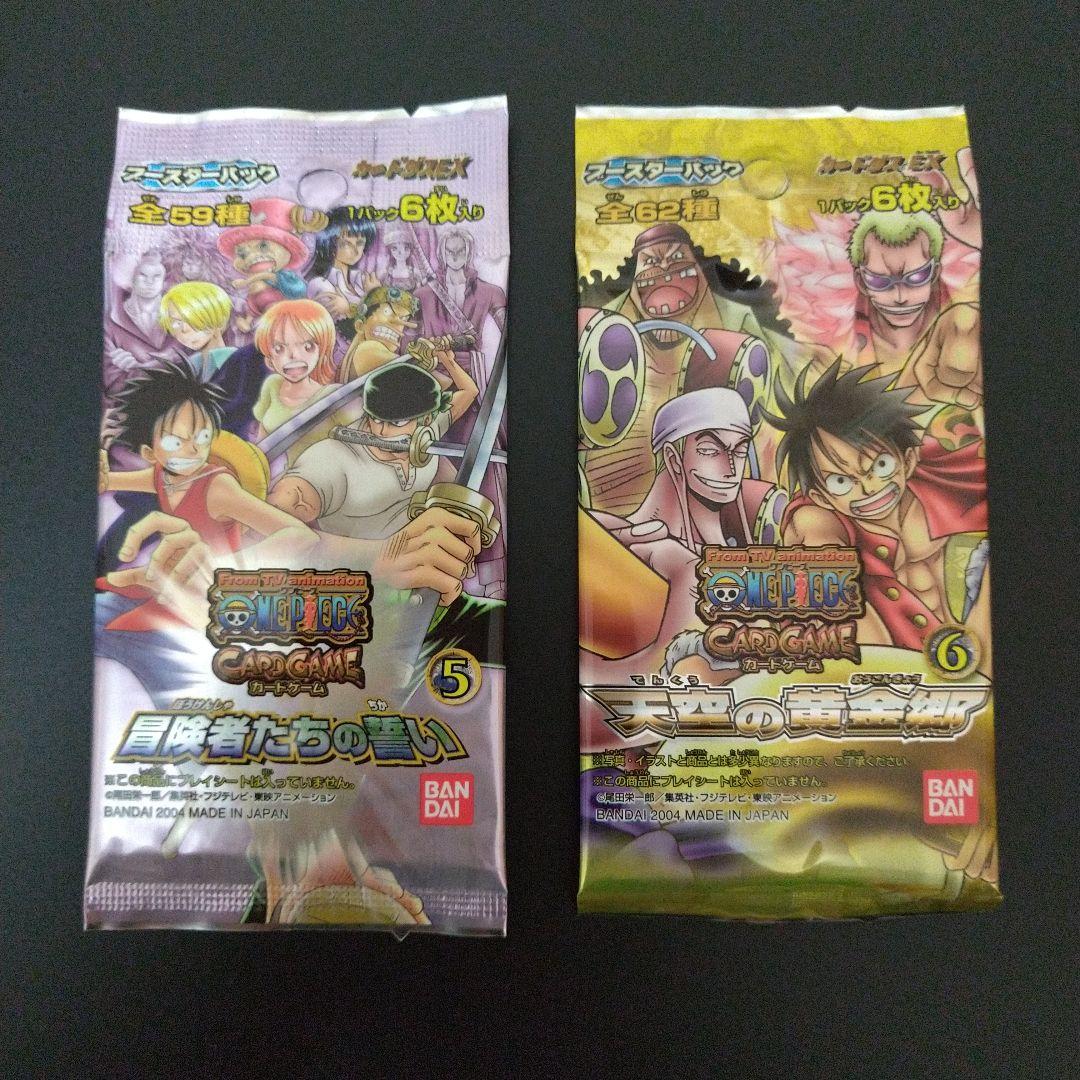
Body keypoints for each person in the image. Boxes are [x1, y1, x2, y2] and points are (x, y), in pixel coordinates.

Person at [770, 359, 989, 653]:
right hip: (886, 668)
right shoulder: (816, 520)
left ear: (907, 460)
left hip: (958, 656)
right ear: (821, 497)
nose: (868, 487)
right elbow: (836, 598)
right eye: (841, 481)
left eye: (880, 465)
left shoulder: (932, 483)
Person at [269, 359, 478, 557]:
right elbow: (282, 506)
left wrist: (446, 359)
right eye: (375, 419)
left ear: (426, 418)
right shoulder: (334, 456)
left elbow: (469, 391)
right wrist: (380, 554)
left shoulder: (428, 431)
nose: (382, 432)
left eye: (397, 423)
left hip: (424, 551)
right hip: (359, 569)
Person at [251, 299, 349, 465]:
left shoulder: (333, 395)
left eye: (307, 346)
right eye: (279, 349)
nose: (294, 356)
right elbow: (261, 446)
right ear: (270, 359)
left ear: (322, 351)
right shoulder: (272, 385)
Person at [218, 198, 309, 332]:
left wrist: (245, 282)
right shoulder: (253, 291)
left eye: (263, 246)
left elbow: (266, 276)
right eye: (242, 253)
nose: (251, 256)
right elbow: (254, 305)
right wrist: (247, 321)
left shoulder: (282, 278)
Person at [103, 249, 182, 393]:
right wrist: (164, 363)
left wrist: (136, 368)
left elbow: (190, 366)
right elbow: (111, 383)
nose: (149, 282)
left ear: (164, 281)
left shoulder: (180, 317)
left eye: (156, 276)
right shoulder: (110, 324)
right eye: (143, 275)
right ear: (131, 278)